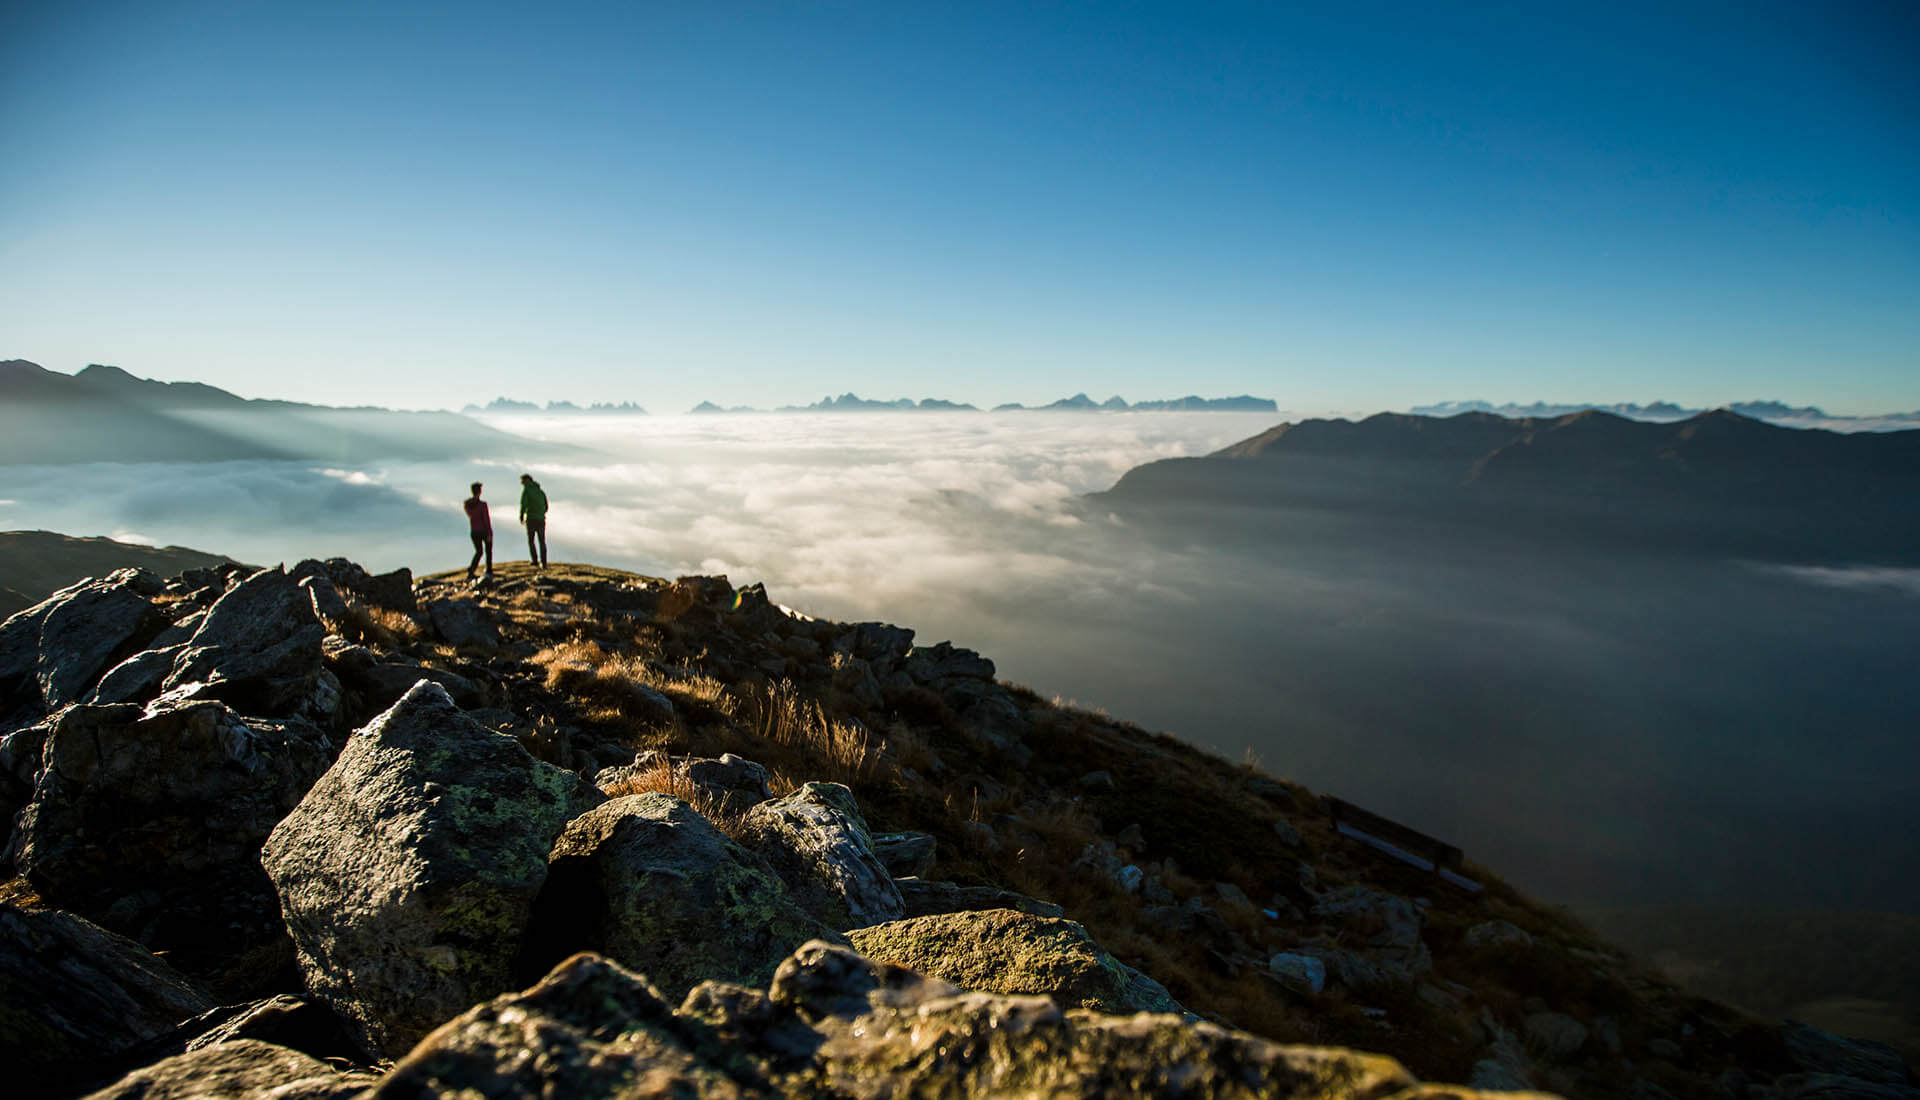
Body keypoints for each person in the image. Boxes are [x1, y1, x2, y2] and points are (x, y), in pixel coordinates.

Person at [464, 482, 493, 582]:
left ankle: (471, 570)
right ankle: (489, 570)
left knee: (479, 551)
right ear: (480, 492)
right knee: (488, 551)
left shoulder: (468, 504)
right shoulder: (482, 505)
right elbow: (486, 520)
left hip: (474, 531)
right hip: (483, 531)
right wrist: (490, 533)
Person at [519, 473, 549, 569]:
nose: (522, 483)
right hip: (541, 519)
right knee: (542, 541)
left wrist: (521, 516)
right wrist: (541, 513)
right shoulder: (540, 491)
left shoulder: (526, 490)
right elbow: (546, 506)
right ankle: (544, 563)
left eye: (522, 481)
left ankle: (535, 560)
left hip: (531, 519)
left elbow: (523, 504)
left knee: (531, 540)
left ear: (526, 481)